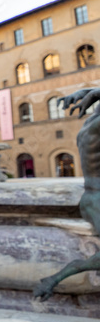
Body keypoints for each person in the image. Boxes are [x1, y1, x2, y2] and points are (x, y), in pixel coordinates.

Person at [35, 88, 100, 300]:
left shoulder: (91, 123)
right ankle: (53, 279)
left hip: (92, 196)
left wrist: (85, 93)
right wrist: (90, 93)